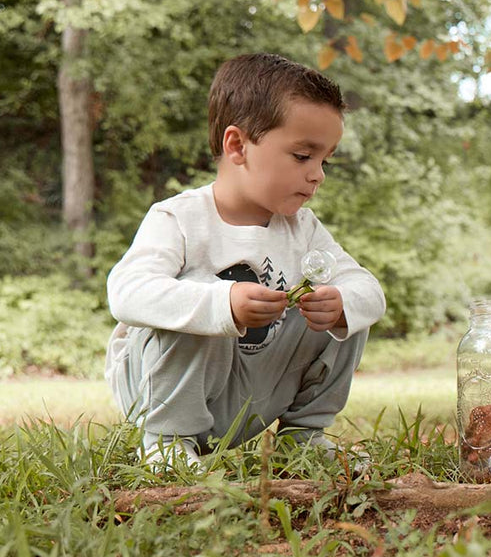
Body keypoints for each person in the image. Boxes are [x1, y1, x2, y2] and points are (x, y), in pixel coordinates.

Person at [105, 53, 386, 469]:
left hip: (253, 389)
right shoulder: (179, 218)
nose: (318, 175)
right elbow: (126, 293)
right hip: (159, 391)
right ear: (237, 146)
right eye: (302, 156)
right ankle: (166, 444)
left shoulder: (303, 229)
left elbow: (369, 290)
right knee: (200, 302)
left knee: (344, 305)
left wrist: (341, 304)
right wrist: (224, 303)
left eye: (324, 160)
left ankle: (302, 438)